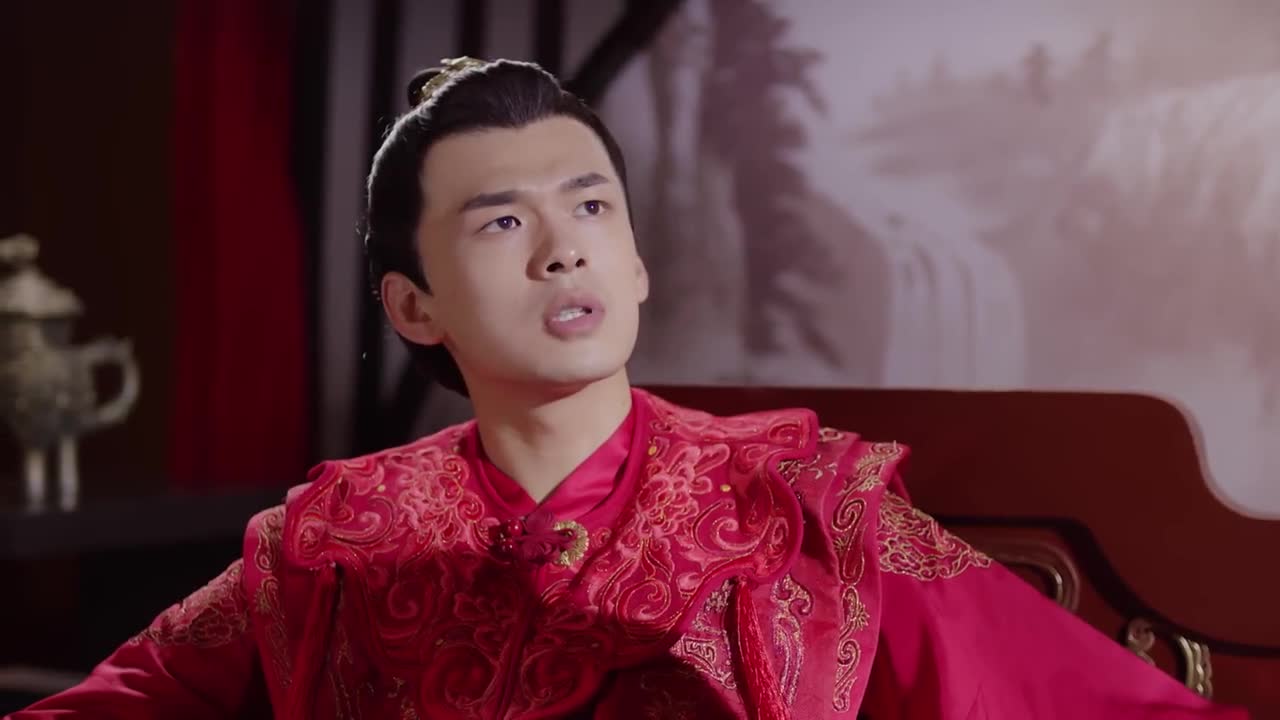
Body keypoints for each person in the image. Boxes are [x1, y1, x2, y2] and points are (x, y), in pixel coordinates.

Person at [6, 57, 1249, 720]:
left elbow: (1090, 707)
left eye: (591, 207)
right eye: (501, 222)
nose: (564, 249)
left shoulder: (804, 510)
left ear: (637, 265)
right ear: (413, 307)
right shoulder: (330, 543)